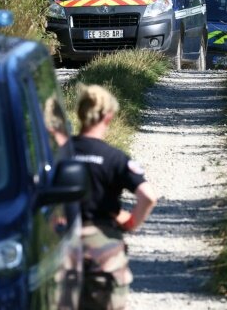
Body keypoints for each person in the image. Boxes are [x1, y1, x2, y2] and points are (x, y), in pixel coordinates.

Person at [58, 84, 158, 310]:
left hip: (61, 242)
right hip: (102, 247)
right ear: (109, 117)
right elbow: (148, 196)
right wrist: (132, 222)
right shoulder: (114, 158)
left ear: (80, 113)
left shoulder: (59, 153)